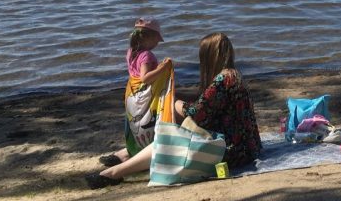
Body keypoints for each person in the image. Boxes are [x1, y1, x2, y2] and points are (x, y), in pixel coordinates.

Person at [87, 32, 262, 187]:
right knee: (172, 127)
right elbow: (208, 101)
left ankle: (115, 172)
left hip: (232, 151)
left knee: (169, 139)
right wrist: (176, 94)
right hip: (248, 147)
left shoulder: (223, 79)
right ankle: (129, 155)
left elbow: (196, 114)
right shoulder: (234, 75)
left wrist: (175, 102)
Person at [98, 18, 174, 167]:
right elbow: (145, 78)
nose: (157, 44)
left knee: (136, 124)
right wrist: (163, 68)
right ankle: (145, 153)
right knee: (148, 123)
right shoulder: (147, 55)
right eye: (157, 40)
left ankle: (130, 152)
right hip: (142, 94)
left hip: (131, 93)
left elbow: (136, 74)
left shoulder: (130, 52)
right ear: (148, 37)